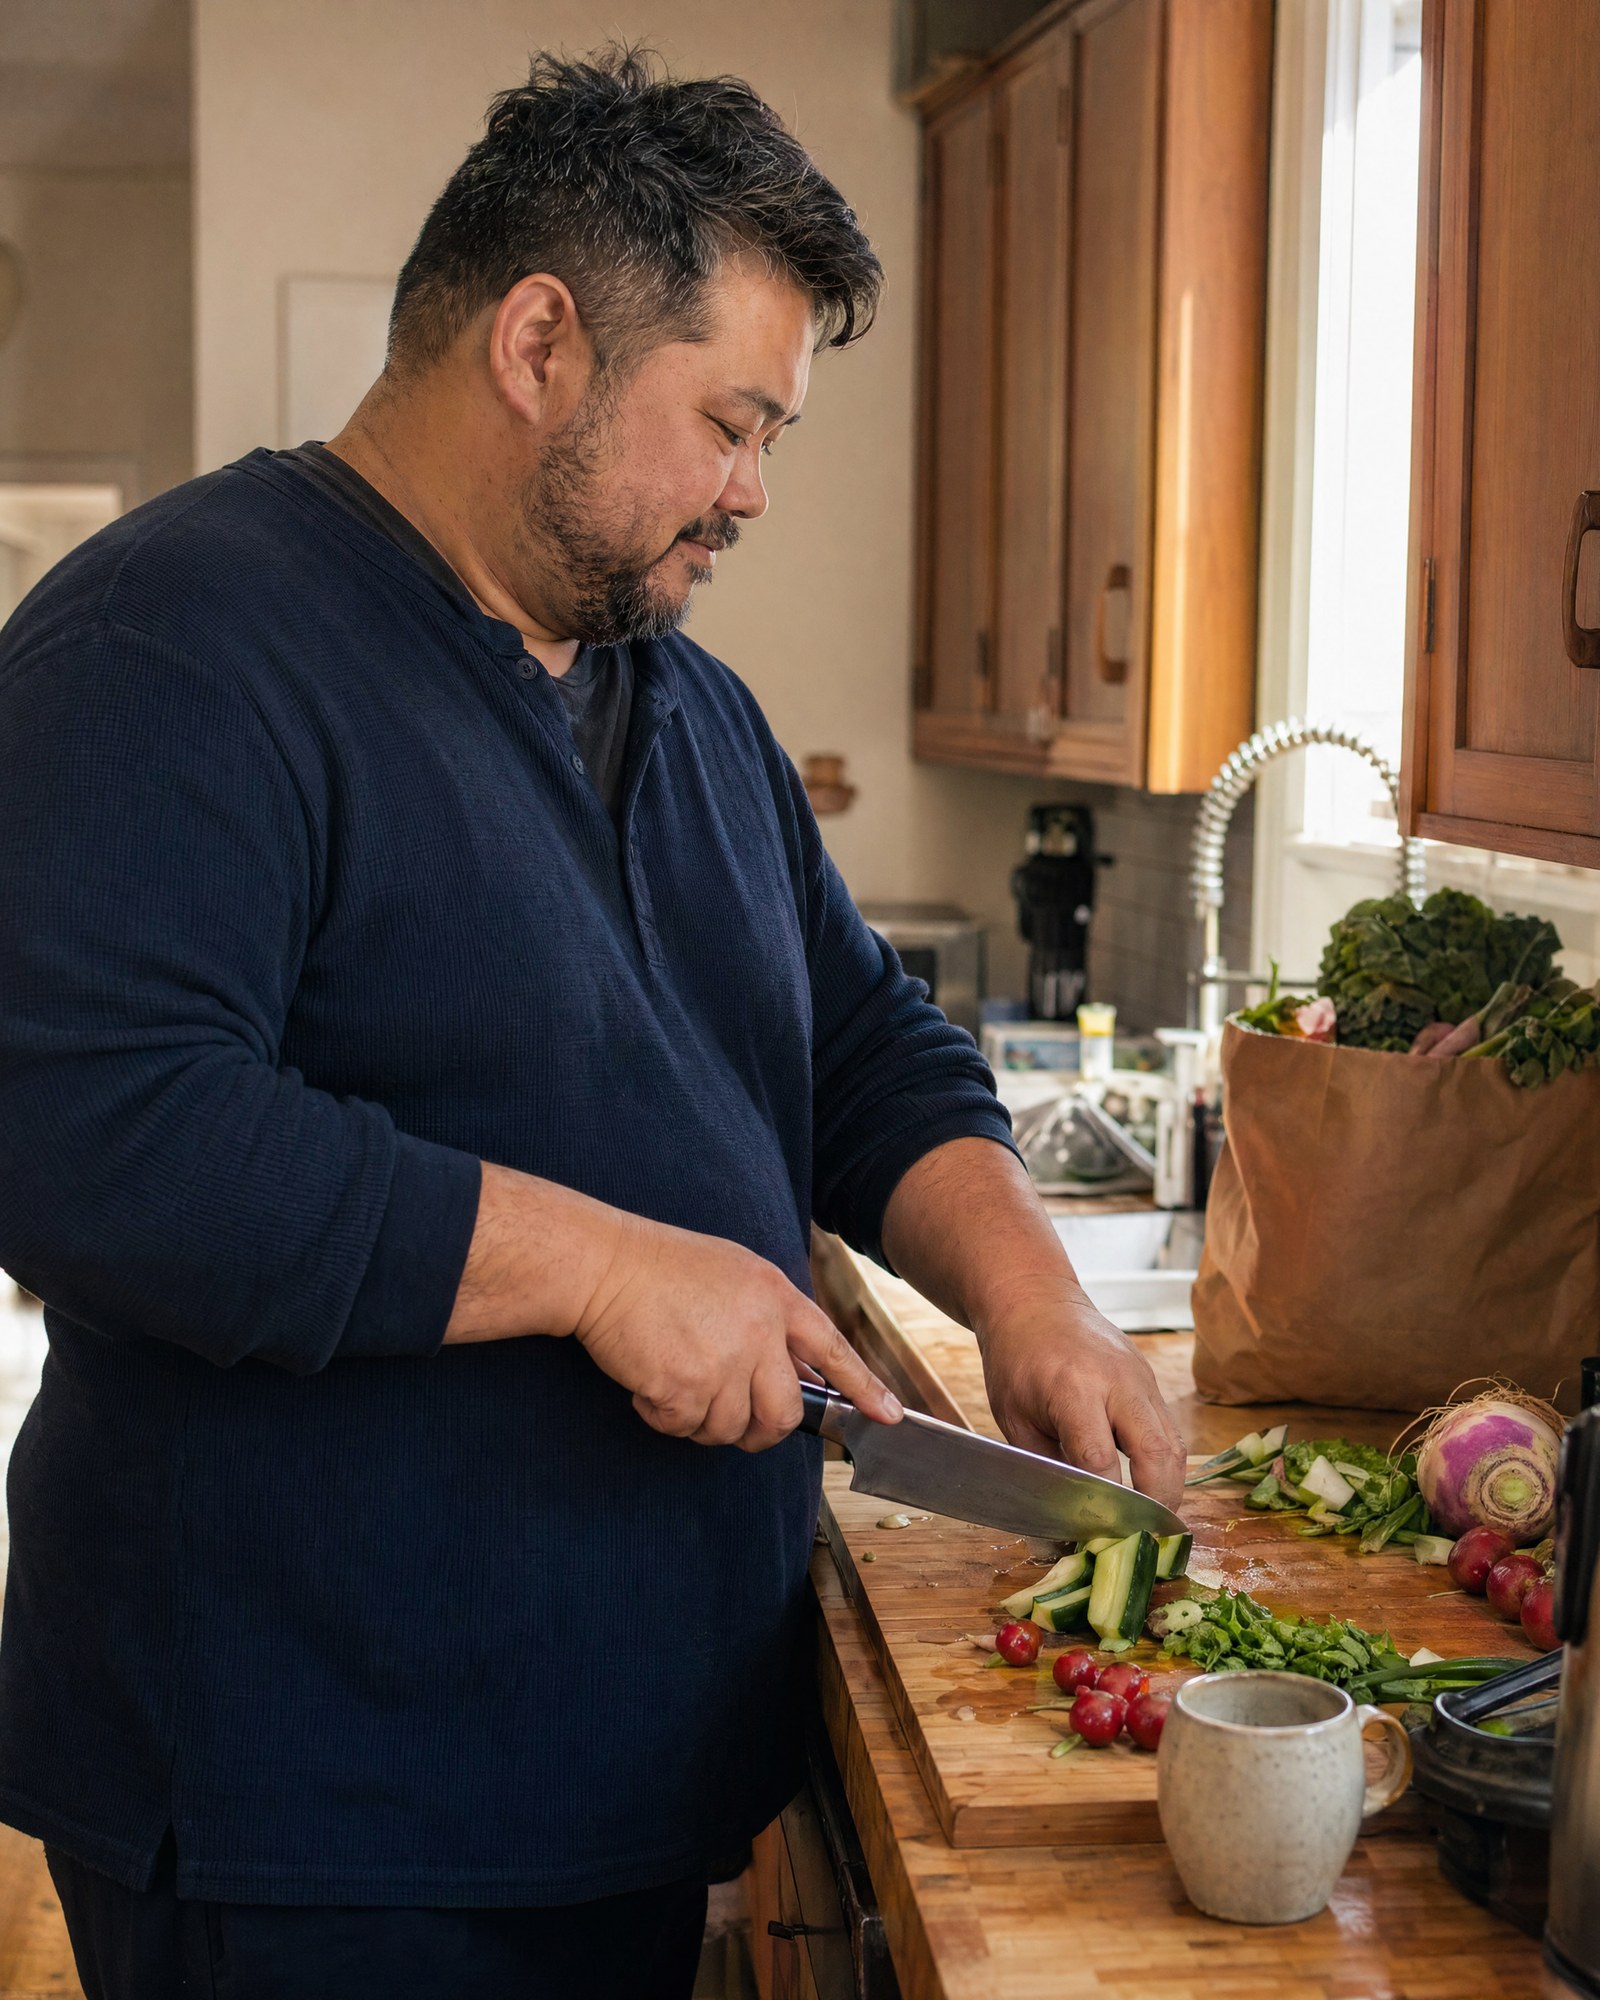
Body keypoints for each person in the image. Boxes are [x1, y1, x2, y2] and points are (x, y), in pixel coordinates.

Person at [0, 46, 1185, 2000]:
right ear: (541, 339)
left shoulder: (687, 704)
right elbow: (86, 1130)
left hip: (604, 1778)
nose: (751, 492)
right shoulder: (174, 643)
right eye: (728, 421)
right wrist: (594, 1265)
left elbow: (867, 1050)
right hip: (321, 1809)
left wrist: (1031, 1306)